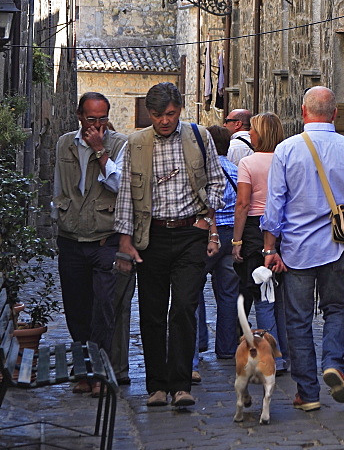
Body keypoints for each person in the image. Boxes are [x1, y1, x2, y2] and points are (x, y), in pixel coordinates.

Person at [261, 86, 344, 412]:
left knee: (297, 321)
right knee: (336, 309)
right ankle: (334, 364)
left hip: (296, 248)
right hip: (337, 247)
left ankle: (307, 392)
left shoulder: (286, 150)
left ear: (303, 111)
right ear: (335, 114)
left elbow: (275, 206)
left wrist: (270, 247)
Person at [114, 82, 224, 409]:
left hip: (191, 232)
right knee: (151, 313)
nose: (164, 120)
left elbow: (216, 179)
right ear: (150, 114)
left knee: (184, 309)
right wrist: (125, 240)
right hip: (153, 237)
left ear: (179, 110)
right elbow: (124, 196)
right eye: (158, 115)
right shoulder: (135, 144)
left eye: (171, 114)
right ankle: (156, 386)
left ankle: (180, 384)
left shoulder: (199, 137)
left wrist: (207, 218)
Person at [52, 92, 128, 394]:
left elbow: (120, 185)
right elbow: (61, 185)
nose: (96, 125)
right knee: (76, 308)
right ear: (79, 116)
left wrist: (100, 151)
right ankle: (83, 371)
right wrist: (58, 214)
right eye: (90, 118)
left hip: (104, 238)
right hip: (71, 238)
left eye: (102, 119)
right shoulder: (64, 143)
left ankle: (100, 372)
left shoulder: (120, 144)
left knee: (104, 307)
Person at [231, 111, 287, 371]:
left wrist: (236, 240)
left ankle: (272, 355)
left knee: (262, 293)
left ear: (260, 134)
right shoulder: (286, 160)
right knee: (280, 296)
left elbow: (242, 204)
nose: (249, 134)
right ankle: (284, 350)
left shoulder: (248, 163)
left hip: (255, 229)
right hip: (284, 228)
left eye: (252, 130)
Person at [193, 125, 241, 378]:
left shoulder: (203, 172)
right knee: (228, 293)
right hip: (231, 233)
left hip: (207, 234)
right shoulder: (236, 170)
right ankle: (227, 346)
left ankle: (199, 341)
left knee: (194, 287)